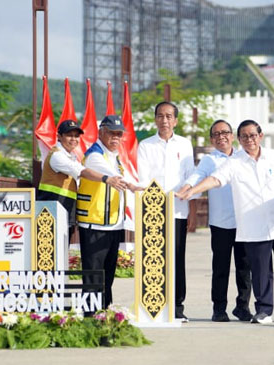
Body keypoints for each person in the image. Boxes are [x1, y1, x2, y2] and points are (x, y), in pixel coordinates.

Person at [176, 119, 274, 325]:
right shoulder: (234, 163)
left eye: (252, 135)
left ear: (260, 136)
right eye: (245, 136)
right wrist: (192, 190)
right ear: (240, 139)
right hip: (252, 225)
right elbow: (215, 179)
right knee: (261, 271)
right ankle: (263, 310)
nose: (249, 139)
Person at [179, 120, 252, 322]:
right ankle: (219, 309)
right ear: (212, 139)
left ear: (233, 136)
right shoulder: (209, 161)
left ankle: (243, 306)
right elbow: (197, 177)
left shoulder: (244, 156)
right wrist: (185, 189)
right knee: (220, 268)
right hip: (220, 223)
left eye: (225, 133)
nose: (221, 137)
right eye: (217, 134)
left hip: (244, 221)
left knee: (245, 268)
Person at [137, 101, 194, 321]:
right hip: (153, 211)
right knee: (154, 257)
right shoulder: (146, 145)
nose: (165, 121)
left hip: (178, 210)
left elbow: (191, 176)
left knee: (177, 258)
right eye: (160, 116)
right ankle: (155, 304)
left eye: (169, 116)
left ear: (176, 120)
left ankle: (178, 306)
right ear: (155, 119)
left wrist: (191, 206)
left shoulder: (184, 144)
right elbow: (143, 178)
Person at [77, 115, 140, 309]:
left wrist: (138, 187)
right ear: (101, 132)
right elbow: (112, 176)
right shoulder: (95, 155)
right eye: (112, 133)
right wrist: (130, 184)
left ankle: (105, 313)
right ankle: (90, 316)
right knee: (94, 274)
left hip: (113, 224)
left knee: (108, 274)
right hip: (94, 224)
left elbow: (125, 178)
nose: (116, 138)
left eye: (119, 134)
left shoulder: (115, 158)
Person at [37, 119, 125, 234]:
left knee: (62, 250)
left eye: (76, 136)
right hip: (50, 210)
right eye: (69, 135)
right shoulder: (57, 155)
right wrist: (106, 179)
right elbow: (82, 172)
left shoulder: (71, 156)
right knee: (51, 250)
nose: (73, 139)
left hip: (64, 209)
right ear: (59, 136)